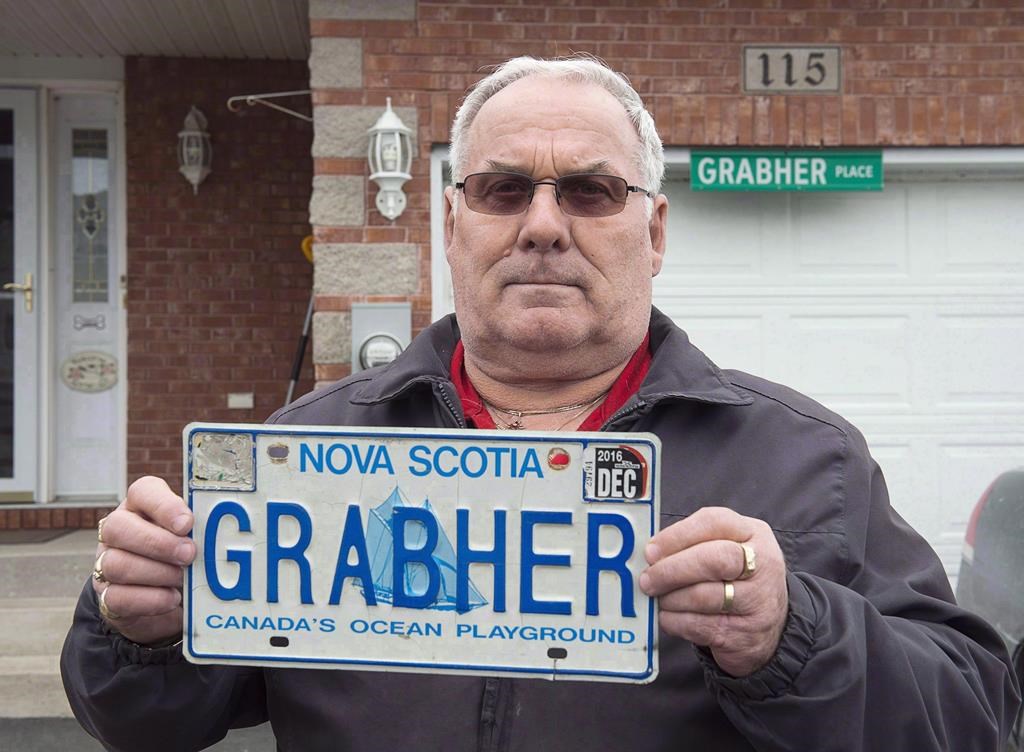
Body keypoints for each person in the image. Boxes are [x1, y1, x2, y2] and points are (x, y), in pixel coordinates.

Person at [62, 56, 1019, 751]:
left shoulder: (808, 464)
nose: (544, 226)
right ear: (451, 222)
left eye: (592, 192)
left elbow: (974, 715)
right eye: (504, 188)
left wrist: (792, 633)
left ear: (654, 230)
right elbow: (145, 722)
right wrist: (134, 628)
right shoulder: (301, 453)